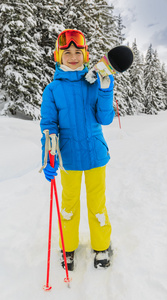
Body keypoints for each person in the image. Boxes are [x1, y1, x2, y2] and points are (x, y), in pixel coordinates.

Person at [40, 29, 114, 270]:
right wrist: (49, 157)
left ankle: (101, 246)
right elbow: (49, 126)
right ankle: (68, 247)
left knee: (97, 203)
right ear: (57, 56)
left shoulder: (92, 83)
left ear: (85, 55)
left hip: (95, 153)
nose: (73, 57)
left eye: (77, 52)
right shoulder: (52, 90)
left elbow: (105, 119)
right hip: (68, 157)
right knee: (69, 204)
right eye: (67, 52)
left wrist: (105, 89)